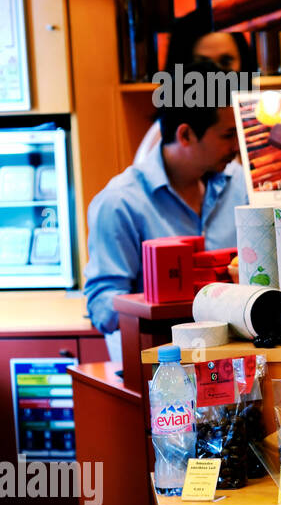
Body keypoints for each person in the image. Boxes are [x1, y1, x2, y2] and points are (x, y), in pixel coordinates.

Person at [85, 60, 248, 341]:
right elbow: (101, 309)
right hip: (164, 367)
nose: (237, 146)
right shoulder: (119, 203)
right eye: (228, 135)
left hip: (240, 359)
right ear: (185, 134)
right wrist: (160, 298)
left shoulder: (241, 184)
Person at [134, 16, 255, 167]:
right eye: (203, 63)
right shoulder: (164, 139)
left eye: (225, 62)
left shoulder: (258, 119)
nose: (217, 75)